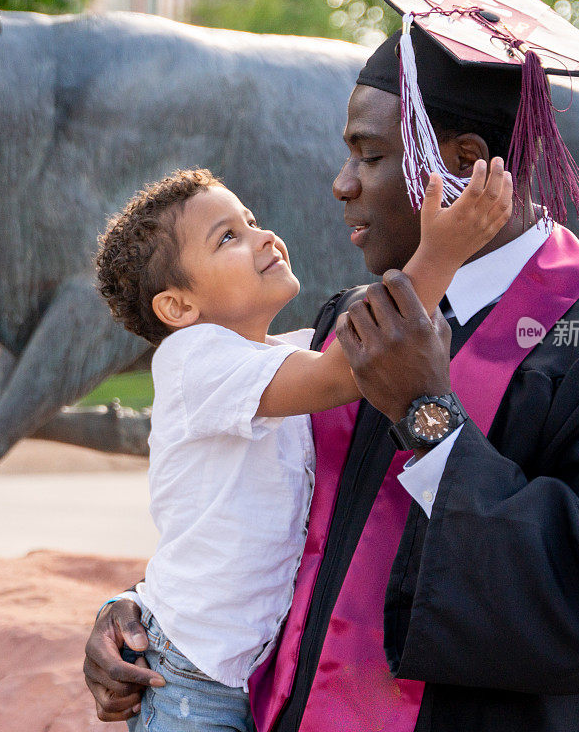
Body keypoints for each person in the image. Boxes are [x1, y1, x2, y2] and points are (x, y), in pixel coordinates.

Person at [84, 0, 579, 732]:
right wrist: (142, 613)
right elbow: (255, 519)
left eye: (369, 154)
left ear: (457, 166)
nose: (341, 184)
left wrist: (431, 418)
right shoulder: (351, 329)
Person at [92, 163, 511, 732]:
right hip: (192, 678)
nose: (263, 236)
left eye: (252, 220)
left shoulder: (274, 355)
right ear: (179, 309)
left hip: (254, 669)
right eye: (228, 238)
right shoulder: (194, 361)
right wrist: (444, 251)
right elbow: (346, 373)